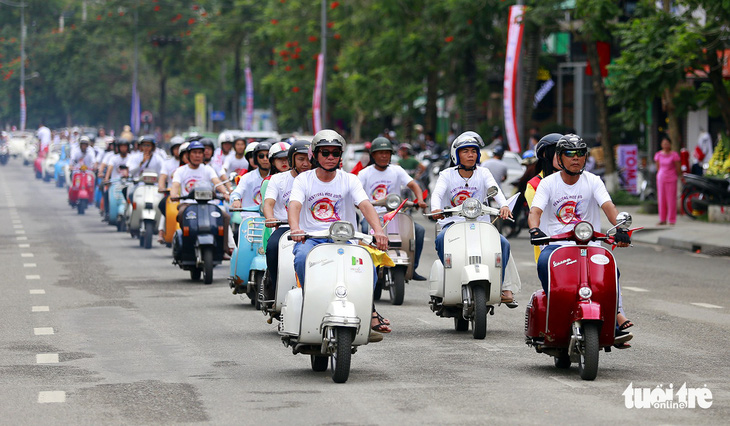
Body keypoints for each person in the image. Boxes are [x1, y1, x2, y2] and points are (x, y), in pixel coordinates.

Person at [527, 134, 633, 347]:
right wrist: (535, 230)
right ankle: (555, 313)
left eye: (580, 153)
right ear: (559, 157)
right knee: (543, 263)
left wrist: (621, 228)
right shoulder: (547, 183)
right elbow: (535, 211)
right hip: (557, 246)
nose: (576, 158)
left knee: (613, 270)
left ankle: (615, 317)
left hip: (591, 245)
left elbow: (608, 207)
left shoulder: (593, 181)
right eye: (569, 153)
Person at [288, 129, 391, 335]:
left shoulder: (349, 180)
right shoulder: (303, 180)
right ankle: (310, 303)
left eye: (335, 153)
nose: (330, 157)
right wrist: (295, 228)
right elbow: (294, 205)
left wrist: (378, 231)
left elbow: (365, 204)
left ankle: (368, 310)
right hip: (312, 239)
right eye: (325, 153)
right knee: (301, 258)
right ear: (315, 155)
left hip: (346, 240)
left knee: (368, 264)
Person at [430, 131, 517, 306]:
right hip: (453, 224)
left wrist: (504, 205)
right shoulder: (446, 174)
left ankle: (500, 285)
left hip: (481, 224)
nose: (471, 155)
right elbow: (437, 193)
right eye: (465, 151)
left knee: (503, 244)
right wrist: (436, 209)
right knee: (441, 239)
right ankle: (450, 278)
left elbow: (494, 190)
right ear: (456, 155)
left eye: (474, 151)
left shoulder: (484, 172)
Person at [358, 137, 428, 281]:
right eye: (380, 152)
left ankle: (412, 268)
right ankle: (369, 268)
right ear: (373, 155)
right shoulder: (364, 173)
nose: (384, 156)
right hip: (373, 217)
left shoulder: (397, 170)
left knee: (419, 231)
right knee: (365, 230)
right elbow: (356, 193)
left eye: (387, 153)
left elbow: (414, 185)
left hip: (395, 215)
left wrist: (420, 200)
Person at [170, 140, 232, 253]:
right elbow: (175, 185)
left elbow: (217, 182)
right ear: (188, 155)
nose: (197, 155)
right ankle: (186, 245)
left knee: (225, 217)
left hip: (208, 203)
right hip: (188, 204)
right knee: (180, 214)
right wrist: (173, 194)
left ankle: (223, 248)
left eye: (200, 152)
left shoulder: (208, 169)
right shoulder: (180, 171)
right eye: (194, 152)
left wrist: (225, 193)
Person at [262, 141, 304, 299]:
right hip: (284, 227)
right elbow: (268, 204)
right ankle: (274, 284)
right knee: (272, 248)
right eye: (301, 159)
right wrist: (270, 217)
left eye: (308, 159)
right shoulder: (276, 180)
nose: (305, 163)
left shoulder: (314, 177)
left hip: (310, 228)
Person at [230, 142, 271, 220]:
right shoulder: (246, 177)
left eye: (268, 156)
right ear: (256, 158)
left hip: (271, 221)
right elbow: (237, 192)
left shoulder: (277, 177)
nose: (265, 159)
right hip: (250, 221)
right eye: (261, 156)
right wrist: (236, 200)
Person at [654, 135, 681, 226]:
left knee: (671, 199)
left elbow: (678, 167)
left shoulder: (674, 155)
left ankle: (672, 219)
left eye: (667, 143)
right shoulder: (658, 155)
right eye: (664, 143)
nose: (665, 145)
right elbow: (658, 167)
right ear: (661, 144)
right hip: (661, 178)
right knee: (661, 199)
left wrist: (680, 176)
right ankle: (662, 219)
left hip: (672, 178)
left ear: (670, 144)